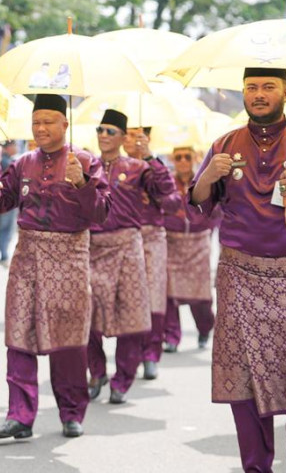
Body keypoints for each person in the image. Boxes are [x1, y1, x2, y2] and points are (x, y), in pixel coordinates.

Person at [189, 67, 286, 473]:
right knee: (243, 375)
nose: (259, 94)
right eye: (251, 88)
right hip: (240, 274)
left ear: (285, 91)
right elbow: (199, 199)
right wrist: (208, 176)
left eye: (267, 87)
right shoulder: (225, 144)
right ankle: (256, 465)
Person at [0, 94, 109, 439]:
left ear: (65, 124)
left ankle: (71, 412)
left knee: (68, 338)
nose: (41, 128)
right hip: (28, 254)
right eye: (36, 122)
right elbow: (5, 201)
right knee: (19, 332)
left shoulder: (85, 160)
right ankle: (19, 415)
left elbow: (100, 213)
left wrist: (82, 183)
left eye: (49, 121)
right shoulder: (23, 163)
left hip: (69, 256)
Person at [88, 109, 175, 405]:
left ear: (123, 137)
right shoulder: (87, 165)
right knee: (86, 314)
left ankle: (122, 379)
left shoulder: (138, 167)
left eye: (110, 131)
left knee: (132, 317)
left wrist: (149, 155)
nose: (103, 135)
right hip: (93, 247)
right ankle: (96, 371)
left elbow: (166, 191)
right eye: (100, 129)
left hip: (128, 247)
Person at [123, 126, 177, 380]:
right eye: (129, 134)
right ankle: (129, 355)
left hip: (152, 237)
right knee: (128, 301)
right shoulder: (113, 166)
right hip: (121, 240)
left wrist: (148, 159)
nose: (133, 139)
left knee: (154, 296)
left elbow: (171, 196)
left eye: (138, 134)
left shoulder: (155, 164)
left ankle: (151, 354)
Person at [163, 146, 217, 352]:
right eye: (178, 157)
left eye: (187, 156)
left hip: (198, 242)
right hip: (172, 241)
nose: (183, 161)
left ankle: (205, 328)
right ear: (172, 159)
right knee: (169, 292)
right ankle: (171, 337)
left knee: (200, 294)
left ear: (195, 158)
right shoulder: (167, 180)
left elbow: (216, 208)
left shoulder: (204, 179)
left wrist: (207, 227)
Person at [0, 141, 19, 265]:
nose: (17, 148)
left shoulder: (3, 160)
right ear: (9, 147)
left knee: (3, 229)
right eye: (15, 146)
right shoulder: (7, 163)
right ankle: (3, 255)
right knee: (5, 229)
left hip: (4, 200)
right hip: (7, 199)